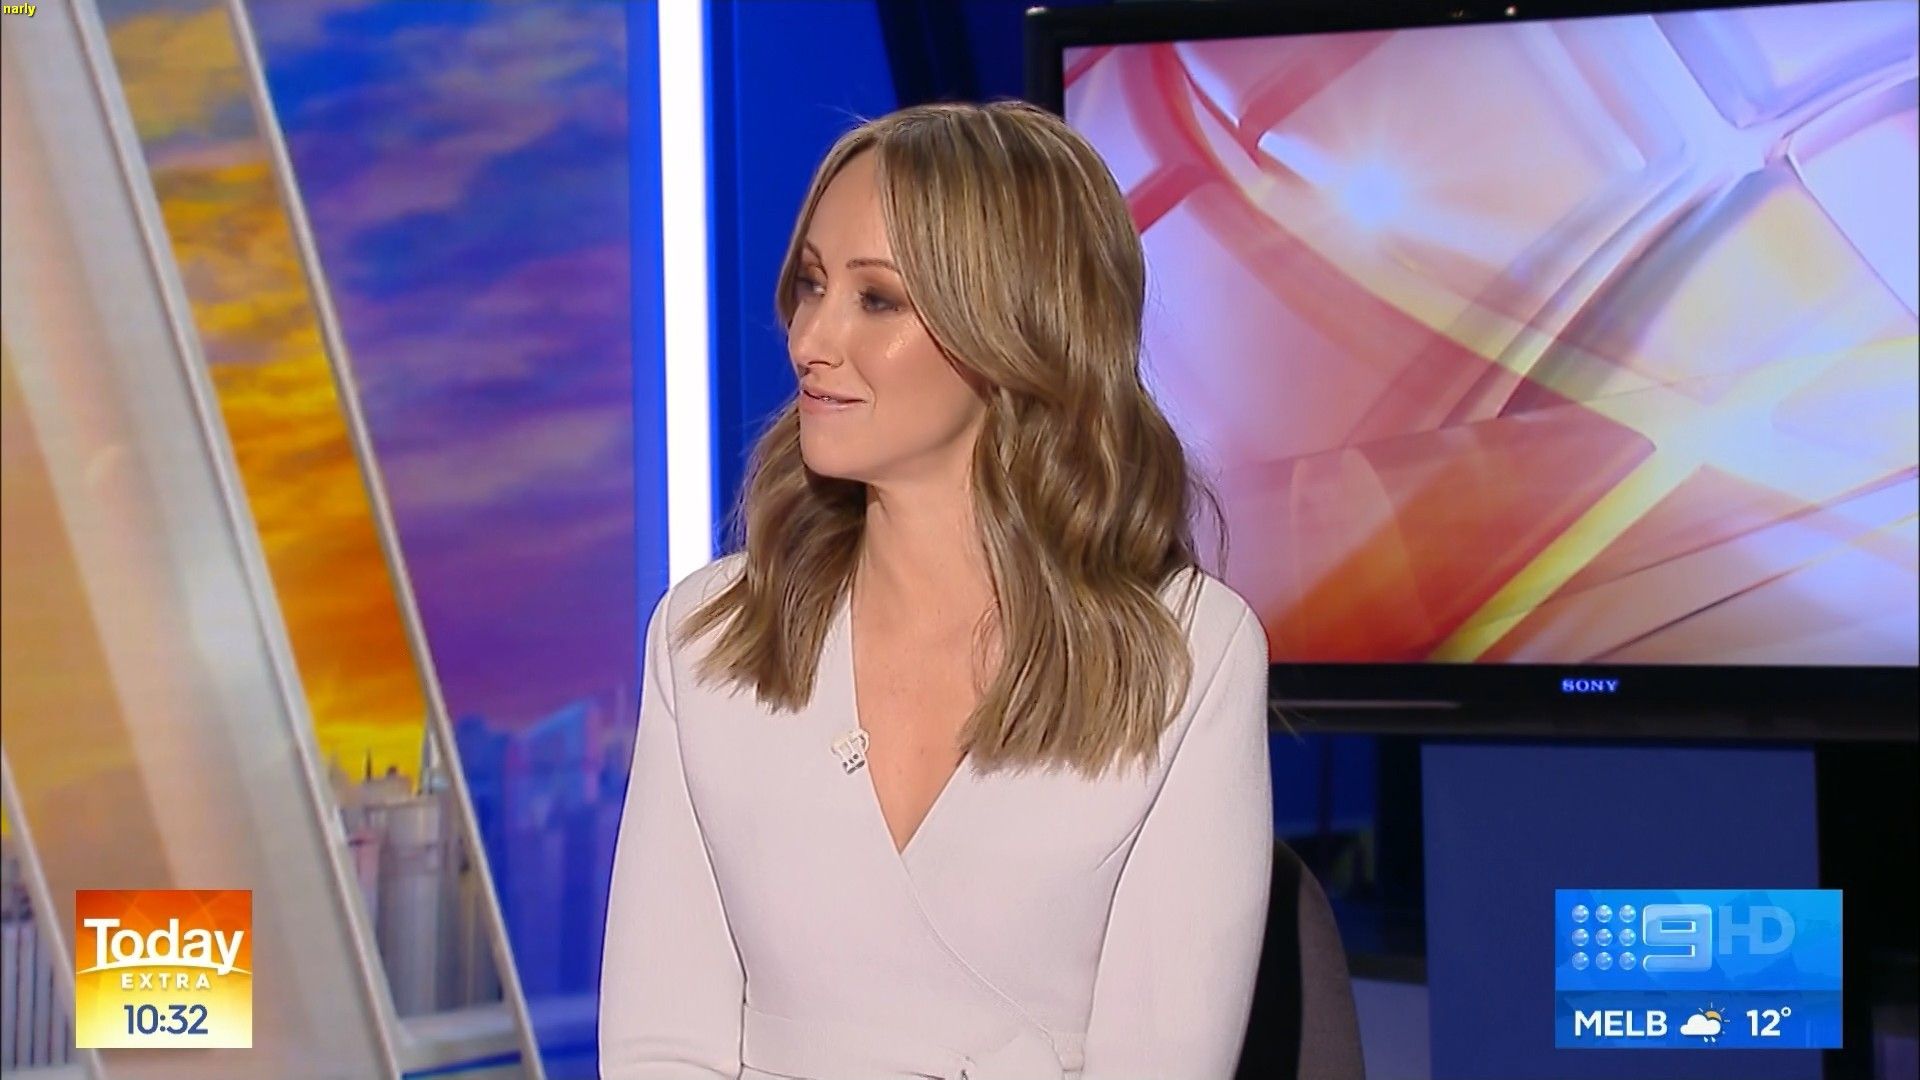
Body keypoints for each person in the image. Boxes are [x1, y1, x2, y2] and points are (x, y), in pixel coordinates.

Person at [600, 100, 1274, 1080]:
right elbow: (659, 1050)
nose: (810, 338)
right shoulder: (706, 639)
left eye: (877, 300)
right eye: (812, 285)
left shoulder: (1188, 656)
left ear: (1015, 328)